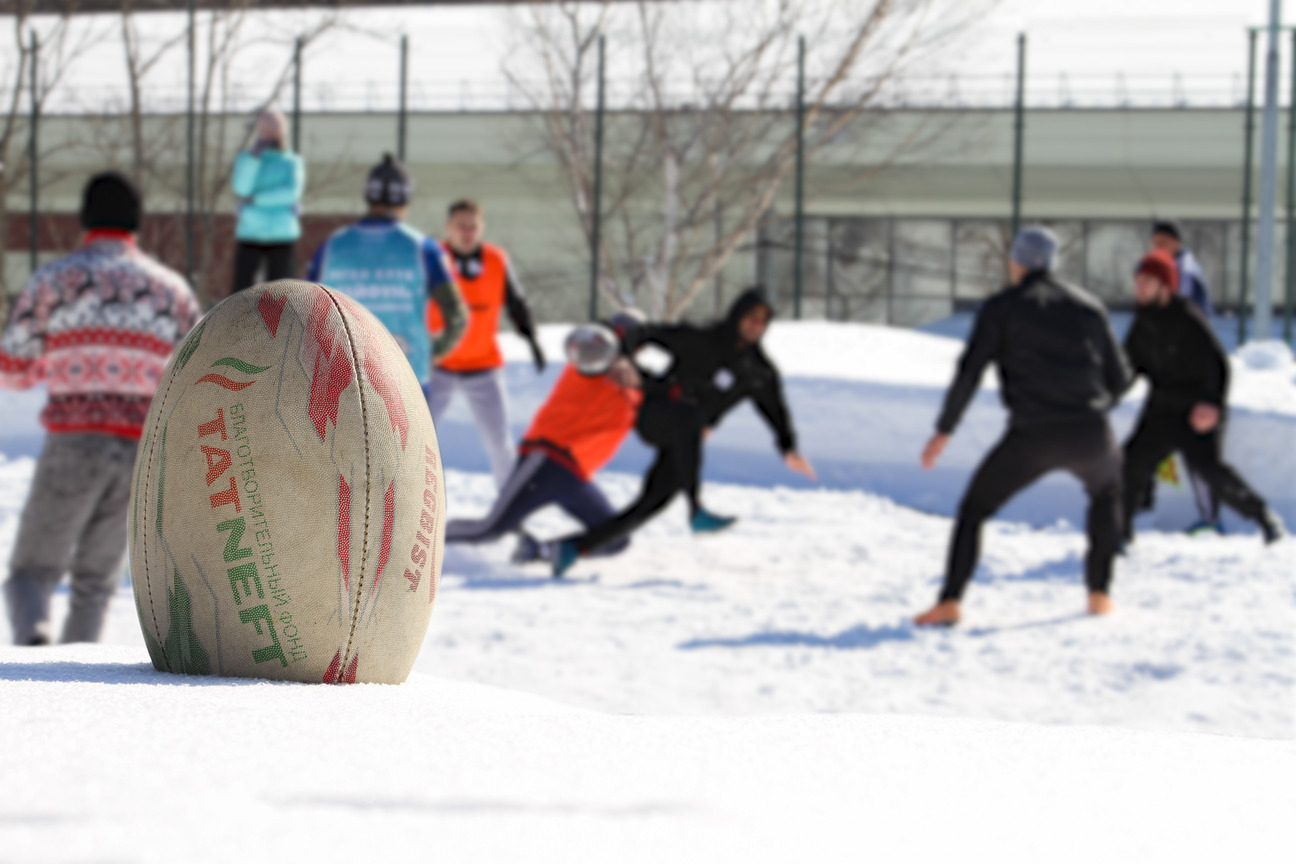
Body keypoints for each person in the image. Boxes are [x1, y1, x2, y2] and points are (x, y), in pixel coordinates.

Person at [0, 172, 201, 645]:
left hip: (75, 440)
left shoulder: (55, 279)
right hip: (139, 453)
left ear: (85, 218)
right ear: (137, 222)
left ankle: (35, 639)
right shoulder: (170, 289)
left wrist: (52, 366)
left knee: (31, 571)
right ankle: (75, 680)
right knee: (95, 583)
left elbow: (12, 366)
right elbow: (194, 368)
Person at [915, 226, 1130, 627]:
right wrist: (1093, 406)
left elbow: (970, 371)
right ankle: (1100, 593)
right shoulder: (1089, 306)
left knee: (974, 510)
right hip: (1090, 432)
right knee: (1107, 492)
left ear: (1017, 262)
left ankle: (950, 601)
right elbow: (1121, 378)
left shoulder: (1002, 307)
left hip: (1033, 434)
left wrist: (945, 429)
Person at [551, 287, 817, 577]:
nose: (756, 325)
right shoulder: (702, 339)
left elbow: (776, 410)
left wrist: (788, 448)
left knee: (653, 502)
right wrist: (624, 357)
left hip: (687, 438)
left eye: (763, 321)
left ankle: (570, 549)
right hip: (657, 416)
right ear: (738, 315)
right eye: (751, 317)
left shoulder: (758, 371)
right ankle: (696, 508)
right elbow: (646, 332)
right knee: (690, 416)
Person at [445, 316, 644, 565]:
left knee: (615, 539)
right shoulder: (592, 362)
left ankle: (540, 551)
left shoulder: (635, 385)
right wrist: (617, 358)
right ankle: (414, 544)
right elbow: (587, 346)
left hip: (576, 475)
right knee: (491, 530)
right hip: (546, 461)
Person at [1121, 250, 1283, 545]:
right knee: (1131, 460)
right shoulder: (1141, 322)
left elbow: (1219, 364)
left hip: (1196, 408)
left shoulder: (1187, 318)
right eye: (1138, 281)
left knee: (1208, 469)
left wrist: (1212, 404)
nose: (1140, 287)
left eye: (1147, 281)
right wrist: (1102, 394)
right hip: (1161, 408)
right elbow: (1128, 368)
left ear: (1165, 286)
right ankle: (1121, 533)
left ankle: (1263, 517)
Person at [307, 154, 467, 385]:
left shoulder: (332, 247)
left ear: (368, 197)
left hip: (341, 379)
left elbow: (302, 307)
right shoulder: (425, 249)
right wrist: (435, 351)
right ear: (405, 200)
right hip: (407, 377)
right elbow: (457, 317)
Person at [424, 199, 545, 489]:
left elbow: (516, 302)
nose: (467, 231)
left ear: (481, 228)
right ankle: (405, 501)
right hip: (439, 365)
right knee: (416, 436)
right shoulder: (433, 257)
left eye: (473, 226)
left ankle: (510, 507)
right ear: (448, 228)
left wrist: (532, 340)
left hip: (484, 366)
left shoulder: (496, 260)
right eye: (461, 225)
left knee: (500, 442)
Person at [1150, 219, 1220, 533]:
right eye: (1155, 242)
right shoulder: (1177, 270)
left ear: (1177, 242)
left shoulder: (1183, 273)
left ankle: (1210, 517)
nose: (1158, 248)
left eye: (1164, 241)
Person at [231, 108, 305, 293]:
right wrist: (253, 160)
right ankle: (240, 323)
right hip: (250, 232)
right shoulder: (247, 159)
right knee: (241, 292)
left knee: (281, 294)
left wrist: (255, 200)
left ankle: (278, 323)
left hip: (282, 235)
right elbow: (241, 188)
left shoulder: (292, 162)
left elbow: (290, 193)